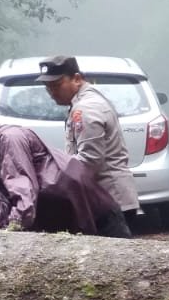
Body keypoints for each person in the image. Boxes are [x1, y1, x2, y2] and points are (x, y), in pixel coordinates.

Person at [0, 96, 130, 237]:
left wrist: (12, 231)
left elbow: (23, 194)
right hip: (76, 213)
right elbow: (3, 199)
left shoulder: (8, 139)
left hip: (95, 213)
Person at [39, 55, 142, 231]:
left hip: (109, 200)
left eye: (56, 85)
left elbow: (89, 160)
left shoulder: (86, 108)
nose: (52, 93)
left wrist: (56, 184)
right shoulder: (84, 101)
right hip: (107, 199)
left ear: (77, 79)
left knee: (112, 256)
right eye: (48, 88)